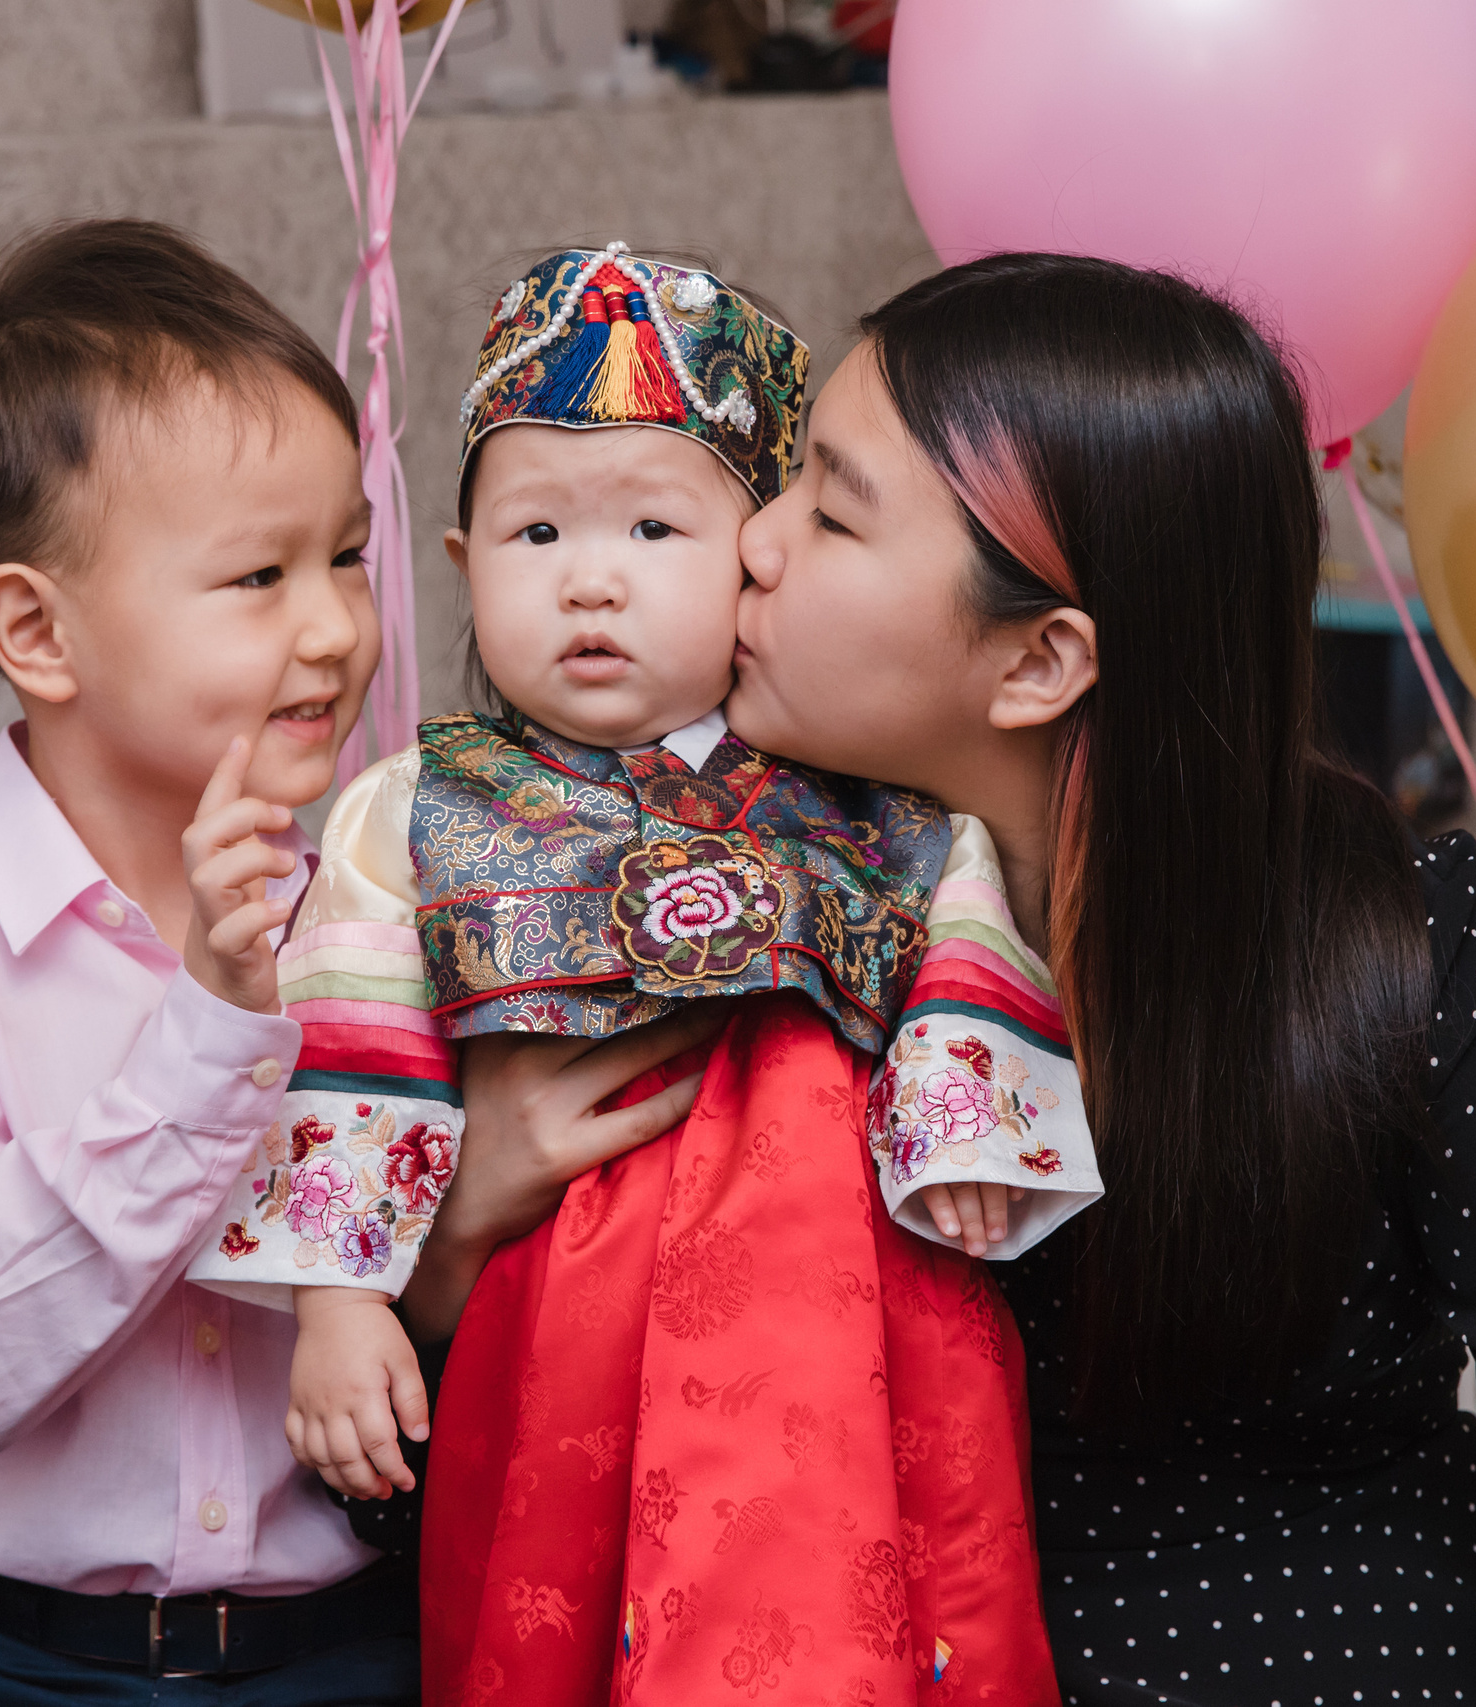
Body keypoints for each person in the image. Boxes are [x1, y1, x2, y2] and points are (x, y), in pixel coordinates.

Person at [704, 251, 1476, 1703]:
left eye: (827, 511)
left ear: (1038, 664)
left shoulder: (1388, 938)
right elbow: (509, 1444)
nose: (748, 544)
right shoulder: (710, 924)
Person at [185, 243, 1099, 1706]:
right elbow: (349, 1053)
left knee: (883, 1580)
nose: (592, 580)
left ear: (759, 556)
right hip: (562, 1302)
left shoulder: (871, 800)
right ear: (464, 569)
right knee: (562, 1595)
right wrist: (343, 1308)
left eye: (657, 533)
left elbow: (969, 931)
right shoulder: (413, 810)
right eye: (537, 536)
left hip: (847, 1296)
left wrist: (964, 1120)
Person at [0, 219, 413, 1703]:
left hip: (333, 1644)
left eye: (345, 554)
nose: (336, 626)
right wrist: (207, 1023)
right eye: (257, 577)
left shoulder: (372, 913)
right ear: (36, 629)